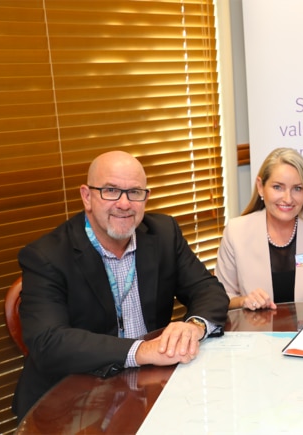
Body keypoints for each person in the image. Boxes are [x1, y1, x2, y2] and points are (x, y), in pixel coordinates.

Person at [13, 151, 229, 419]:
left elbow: (208, 289)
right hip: (74, 402)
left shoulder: (163, 233)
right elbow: (48, 341)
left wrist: (194, 327)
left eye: (135, 192)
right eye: (111, 191)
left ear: (146, 198)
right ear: (87, 196)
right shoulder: (47, 256)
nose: (124, 204)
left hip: (148, 389)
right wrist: (142, 350)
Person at [216, 147, 303, 310]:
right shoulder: (236, 231)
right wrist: (244, 300)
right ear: (261, 187)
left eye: (297, 188)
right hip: (256, 330)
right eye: (277, 187)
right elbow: (222, 297)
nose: (288, 199)